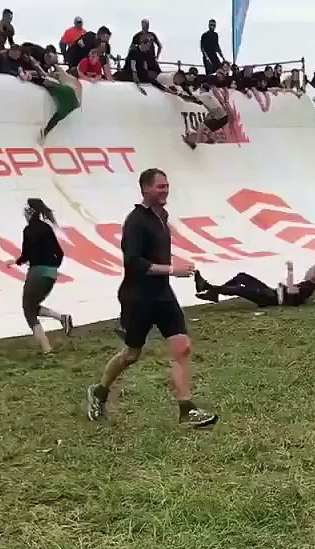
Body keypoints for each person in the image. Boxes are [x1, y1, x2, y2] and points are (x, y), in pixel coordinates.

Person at [85, 169, 218, 428]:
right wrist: (171, 269)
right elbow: (133, 263)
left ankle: (186, 410)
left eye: (167, 185)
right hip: (137, 297)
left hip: (162, 294)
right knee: (131, 355)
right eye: (160, 187)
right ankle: (99, 391)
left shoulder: (162, 216)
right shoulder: (135, 221)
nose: (165, 190)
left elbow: (157, 258)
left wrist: (175, 269)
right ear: (145, 189)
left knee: (183, 347)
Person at [5, 198, 74, 354]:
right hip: (51, 274)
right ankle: (62, 318)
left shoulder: (28, 230)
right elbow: (60, 253)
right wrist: (53, 267)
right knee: (33, 305)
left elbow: (26, 255)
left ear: (29, 212)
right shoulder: (46, 228)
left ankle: (47, 349)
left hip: (37, 272)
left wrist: (14, 261)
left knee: (28, 310)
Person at [193, 262, 315, 308]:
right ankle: (213, 292)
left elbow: (291, 291)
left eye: (310, 270)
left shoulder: (308, 287)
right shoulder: (307, 285)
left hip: (272, 299)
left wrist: (289, 271)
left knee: (240, 289)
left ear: (314, 275)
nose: (307, 271)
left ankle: (207, 287)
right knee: (242, 277)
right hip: (272, 293)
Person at [182, 82, 230, 148]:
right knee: (210, 131)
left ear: (203, 89)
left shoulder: (204, 95)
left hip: (219, 117)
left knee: (201, 128)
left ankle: (196, 144)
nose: (199, 91)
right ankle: (210, 141)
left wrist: (183, 93)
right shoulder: (210, 95)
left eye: (200, 89)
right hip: (224, 118)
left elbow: (193, 98)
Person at [39, 67, 82, 142]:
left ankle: (45, 132)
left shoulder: (67, 80)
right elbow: (78, 103)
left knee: (50, 85)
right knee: (57, 117)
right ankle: (45, 132)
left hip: (68, 94)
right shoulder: (77, 84)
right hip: (72, 104)